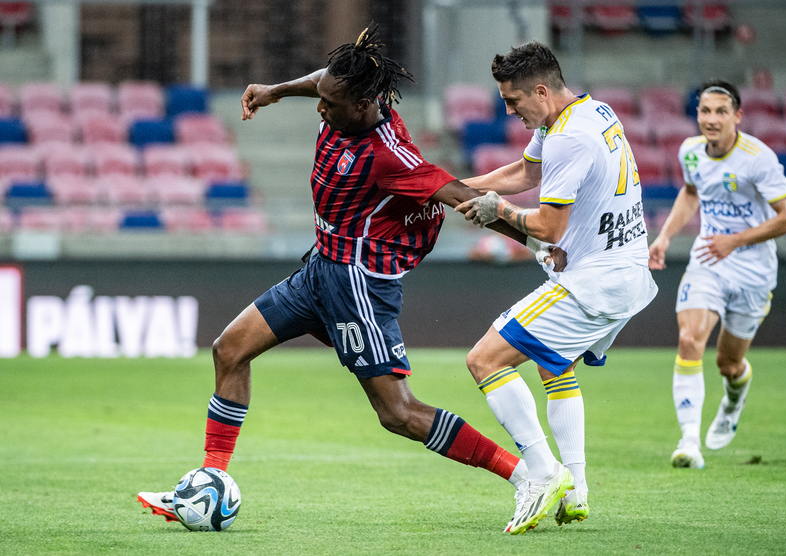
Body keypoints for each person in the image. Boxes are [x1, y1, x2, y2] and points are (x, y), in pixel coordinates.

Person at [137, 25, 534, 530]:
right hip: (319, 269)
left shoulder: (390, 156)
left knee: (397, 413)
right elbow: (323, 79)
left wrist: (539, 242)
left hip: (356, 284)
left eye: (330, 104)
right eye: (320, 98)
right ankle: (210, 481)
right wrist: (276, 91)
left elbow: (460, 196)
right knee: (229, 350)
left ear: (364, 104)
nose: (321, 109)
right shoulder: (343, 93)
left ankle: (525, 476)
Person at [454, 41, 657, 534]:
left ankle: (544, 473)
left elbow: (548, 227)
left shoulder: (568, 138)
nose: (510, 111)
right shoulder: (592, 111)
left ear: (541, 91)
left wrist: (499, 210)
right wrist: (452, 187)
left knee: (485, 360)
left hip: (596, 282)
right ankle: (577, 491)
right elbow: (524, 172)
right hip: (624, 273)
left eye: (513, 100)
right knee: (554, 363)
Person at [648, 80, 786, 469]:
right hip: (709, 260)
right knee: (689, 338)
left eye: (720, 111)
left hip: (753, 271)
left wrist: (735, 240)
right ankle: (688, 442)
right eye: (705, 111)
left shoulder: (758, 158)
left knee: (728, 365)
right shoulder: (691, 152)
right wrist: (664, 236)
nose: (711, 119)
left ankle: (734, 399)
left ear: (737, 116)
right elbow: (691, 193)